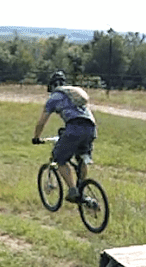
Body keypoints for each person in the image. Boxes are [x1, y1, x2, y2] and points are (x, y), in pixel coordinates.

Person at [32, 70, 97, 204]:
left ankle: (73, 190)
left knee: (59, 159)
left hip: (74, 127)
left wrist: (36, 137)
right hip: (91, 127)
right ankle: (81, 187)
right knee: (82, 157)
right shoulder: (73, 93)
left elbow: (41, 122)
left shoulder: (54, 98)